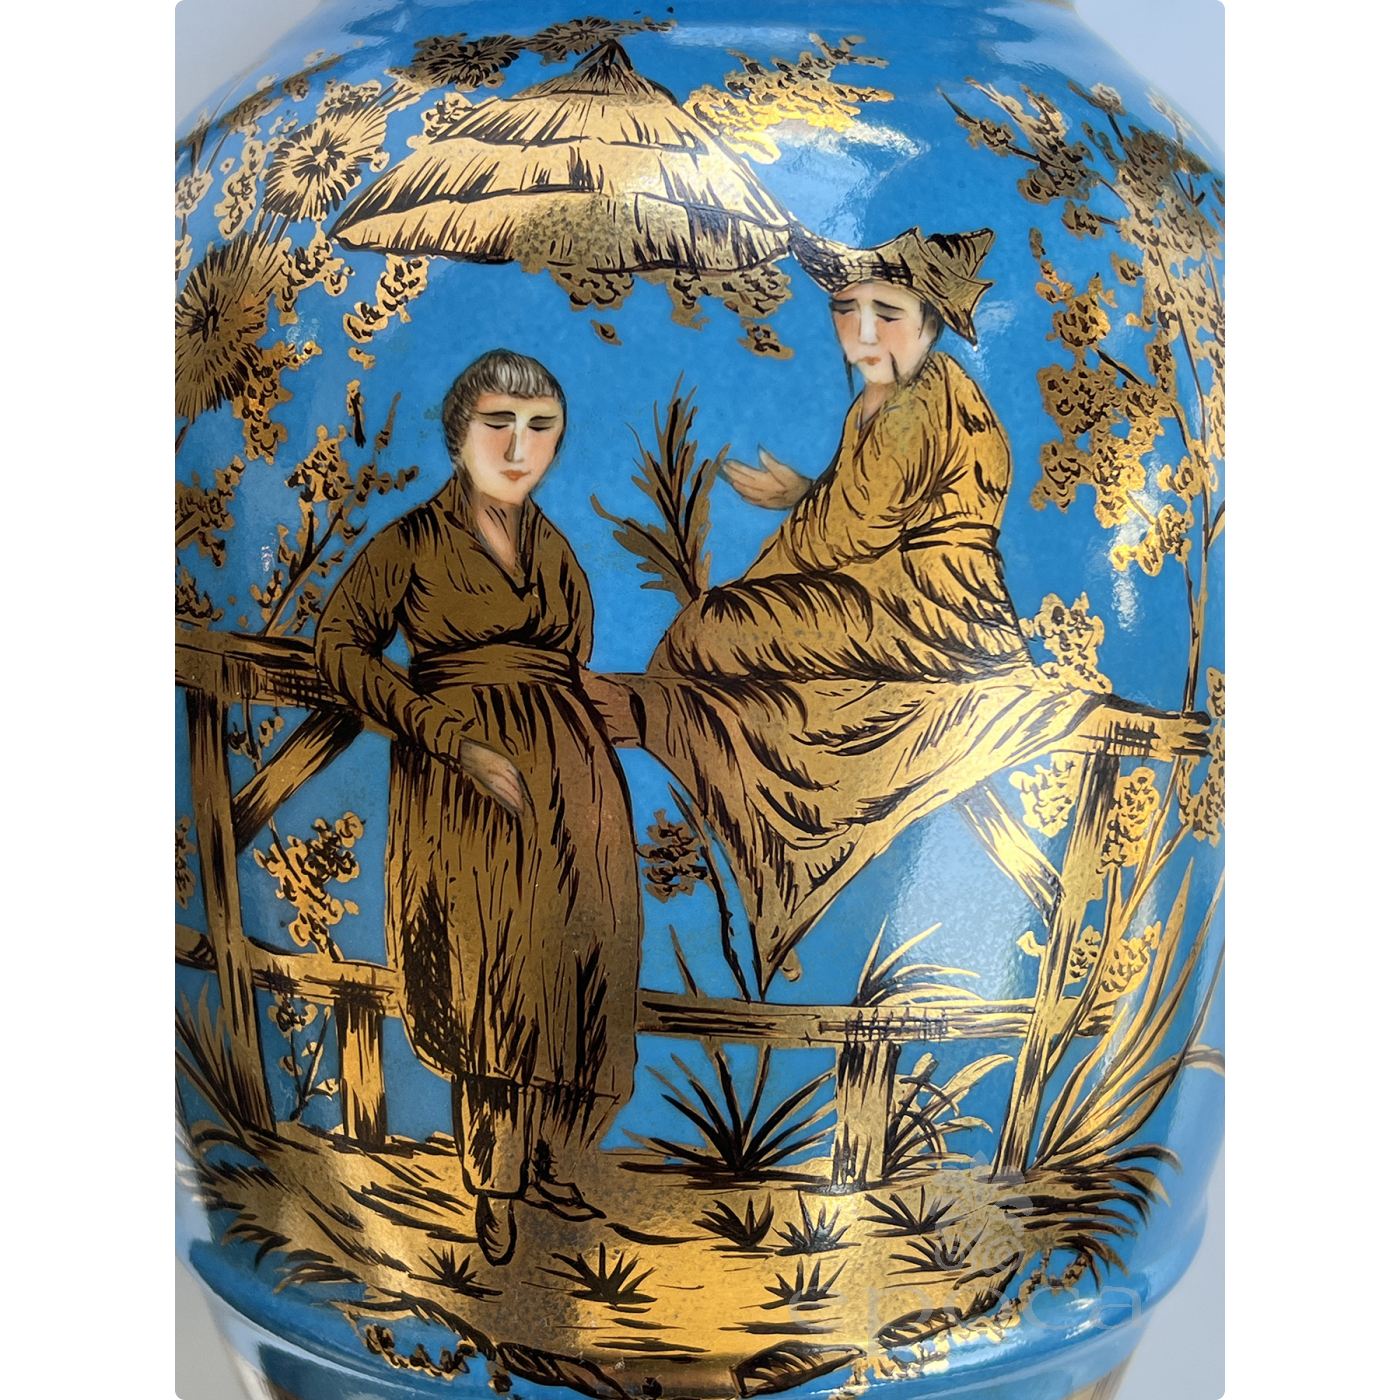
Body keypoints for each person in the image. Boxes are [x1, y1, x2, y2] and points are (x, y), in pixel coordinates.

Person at [630, 228, 1108, 991]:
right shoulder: (886, 401)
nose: (861, 331)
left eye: (886, 313)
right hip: (890, 599)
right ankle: (772, 870)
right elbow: (853, 511)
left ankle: (778, 865)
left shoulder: (924, 401)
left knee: (707, 635)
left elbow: (846, 533)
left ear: (931, 321)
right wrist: (800, 502)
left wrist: (757, 588)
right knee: (714, 649)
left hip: (932, 612)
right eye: (846, 309)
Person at [315, 350, 642, 1266]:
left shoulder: (554, 550)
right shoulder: (412, 543)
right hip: (465, 785)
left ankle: (549, 1164)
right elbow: (340, 647)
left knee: (581, 957)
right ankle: (492, 1181)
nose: (518, 446)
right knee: (490, 966)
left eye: (540, 428)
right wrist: (447, 738)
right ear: (459, 434)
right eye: (499, 424)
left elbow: (571, 663)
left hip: (573, 784)